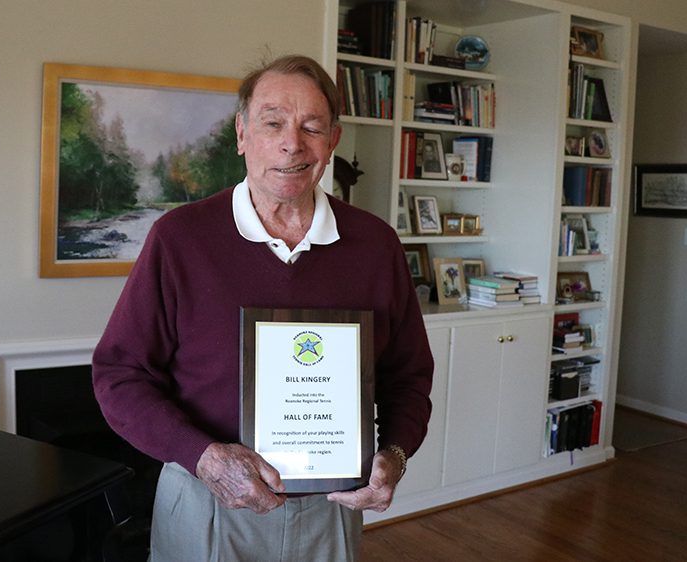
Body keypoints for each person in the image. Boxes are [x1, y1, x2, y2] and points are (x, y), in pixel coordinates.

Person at [92, 54, 434, 561]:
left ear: (332, 141)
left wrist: (397, 453)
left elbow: (408, 376)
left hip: (332, 510)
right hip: (206, 502)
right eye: (272, 122)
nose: (291, 143)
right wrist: (203, 457)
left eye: (311, 127)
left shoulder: (375, 245)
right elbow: (118, 375)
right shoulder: (180, 239)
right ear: (242, 134)